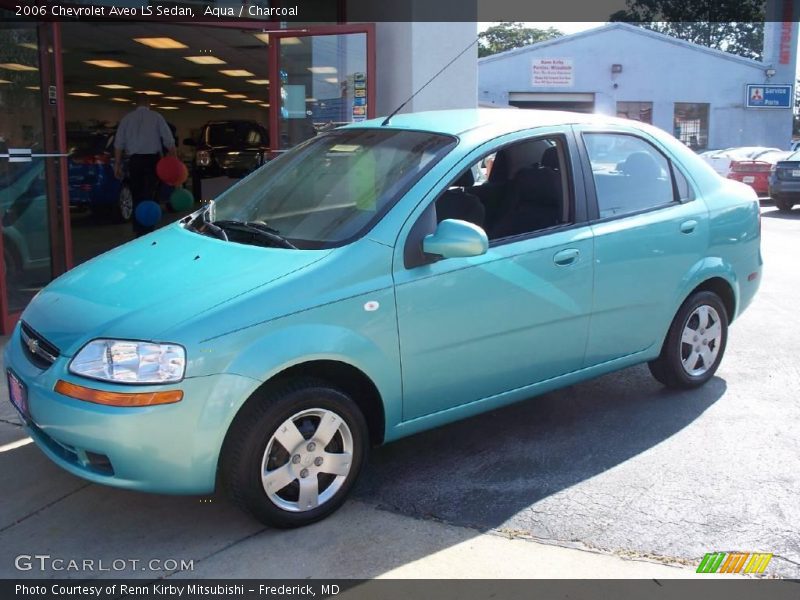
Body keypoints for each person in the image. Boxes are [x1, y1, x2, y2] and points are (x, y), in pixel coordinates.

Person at [114, 94, 176, 236]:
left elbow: (119, 143)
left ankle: (139, 228)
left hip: (135, 161)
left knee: (137, 194)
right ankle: (150, 226)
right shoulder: (157, 117)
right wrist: (174, 160)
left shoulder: (127, 119)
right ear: (150, 104)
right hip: (152, 161)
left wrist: (117, 164)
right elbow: (169, 141)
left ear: (136, 104)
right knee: (151, 194)